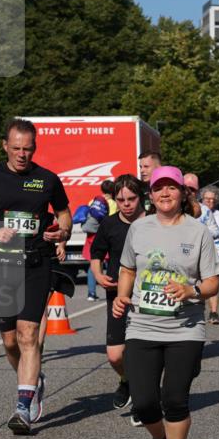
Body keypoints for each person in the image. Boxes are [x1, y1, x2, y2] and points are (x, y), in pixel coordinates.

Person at [112, 166, 219, 439]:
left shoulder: (197, 232)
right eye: (158, 188)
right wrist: (121, 295)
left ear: (182, 193)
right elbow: (127, 268)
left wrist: (193, 291)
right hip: (143, 326)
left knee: (175, 399)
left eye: (171, 188)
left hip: (185, 329)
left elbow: (213, 281)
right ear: (151, 194)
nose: (165, 194)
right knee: (144, 402)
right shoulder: (139, 228)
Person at [0, 118, 72, 435]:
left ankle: (22, 406)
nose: (23, 154)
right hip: (1, 265)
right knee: (10, 341)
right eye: (17, 148)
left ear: (35, 148)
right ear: (5, 146)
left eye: (29, 149)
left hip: (36, 263)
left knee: (28, 333)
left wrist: (61, 232)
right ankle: (33, 380)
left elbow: (64, 215)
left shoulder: (47, 179)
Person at [90, 174, 147, 415]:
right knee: (115, 356)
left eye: (131, 199)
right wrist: (99, 275)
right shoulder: (110, 224)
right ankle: (127, 381)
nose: (126, 204)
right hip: (117, 295)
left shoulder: (154, 221)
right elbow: (96, 255)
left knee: (143, 352)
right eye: (121, 199)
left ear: (140, 197)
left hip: (147, 294)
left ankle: (144, 400)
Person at [199, 186, 219, 324]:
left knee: (214, 282)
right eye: (207, 199)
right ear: (202, 199)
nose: (210, 202)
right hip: (199, 251)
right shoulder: (195, 212)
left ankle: (213, 312)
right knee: (199, 282)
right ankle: (198, 310)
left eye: (213, 199)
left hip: (217, 251)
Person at [81, 194, 109, 301]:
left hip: (90, 240)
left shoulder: (91, 204)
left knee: (92, 266)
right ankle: (113, 290)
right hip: (103, 238)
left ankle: (91, 293)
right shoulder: (111, 203)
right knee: (110, 264)